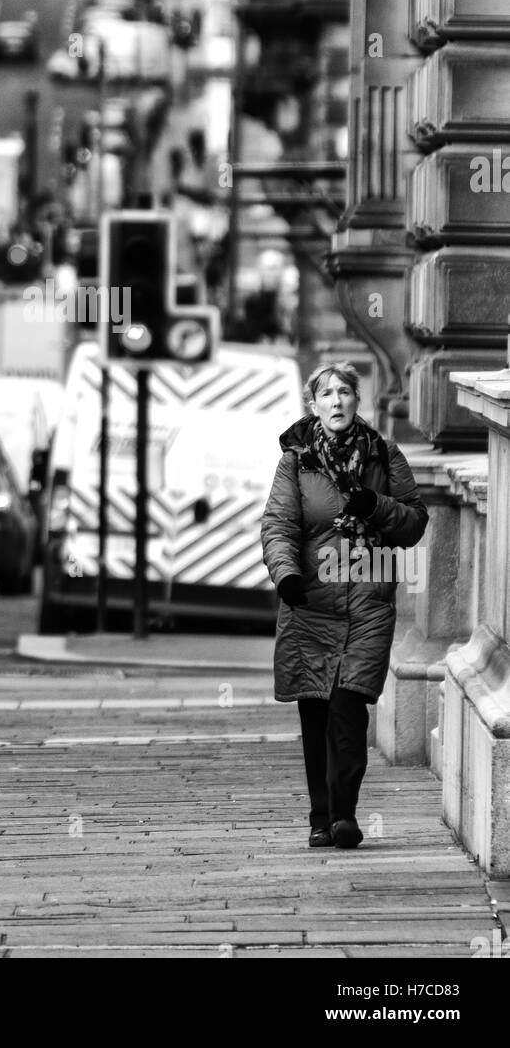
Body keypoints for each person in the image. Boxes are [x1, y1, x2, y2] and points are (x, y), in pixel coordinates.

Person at [260, 363, 428, 850]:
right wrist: (286, 574)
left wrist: (373, 506)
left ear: (358, 401)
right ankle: (320, 815)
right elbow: (278, 525)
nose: (336, 401)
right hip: (311, 601)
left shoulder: (384, 454)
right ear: (313, 405)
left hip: (369, 604)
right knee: (316, 710)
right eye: (326, 394)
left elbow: (414, 523)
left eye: (345, 393)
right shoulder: (296, 460)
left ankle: (344, 816)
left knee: (349, 710)